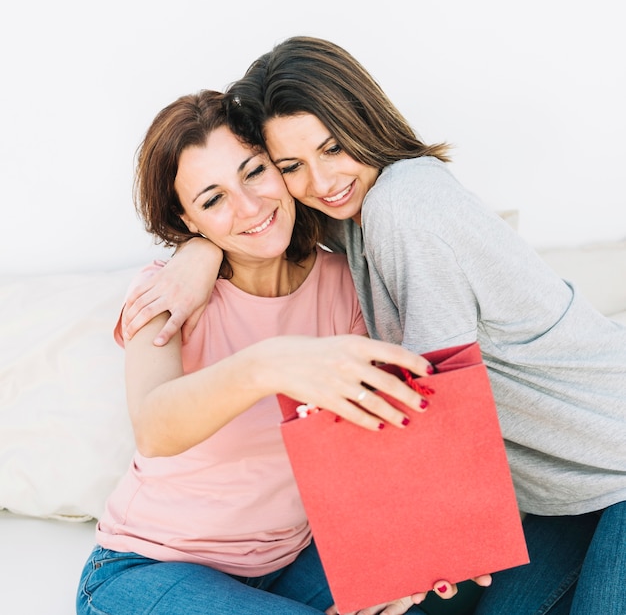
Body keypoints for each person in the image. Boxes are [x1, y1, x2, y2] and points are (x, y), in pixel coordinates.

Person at [121, 37, 626, 615]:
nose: (321, 179)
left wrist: (419, 552)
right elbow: (156, 425)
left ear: (363, 121)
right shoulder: (333, 228)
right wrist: (198, 257)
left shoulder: (399, 208)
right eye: (292, 166)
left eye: (333, 147)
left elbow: (435, 401)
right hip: (562, 495)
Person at [75, 88, 453, 615]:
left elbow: (379, 444)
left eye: (254, 173)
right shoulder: (168, 293)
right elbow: (154, 427)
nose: (249, 207)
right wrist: (267, 363)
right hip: (150, 570)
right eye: (212, 200)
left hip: (294, 563)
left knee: (457, 570)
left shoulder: (344, 284)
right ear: (188, 221)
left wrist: (405, 554)